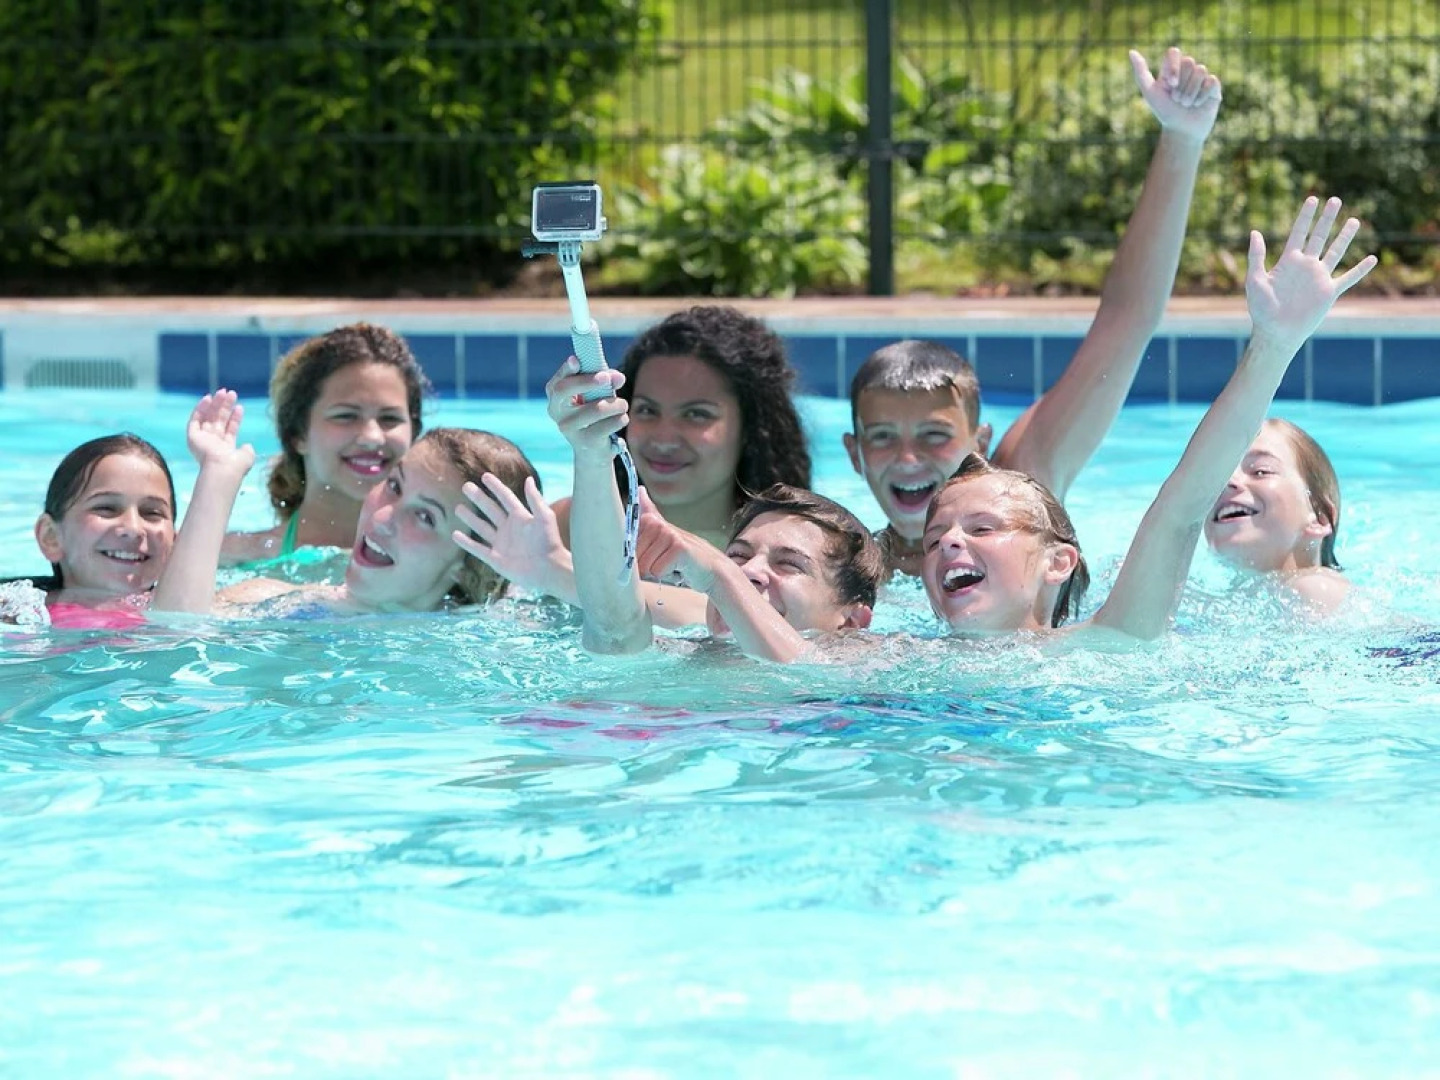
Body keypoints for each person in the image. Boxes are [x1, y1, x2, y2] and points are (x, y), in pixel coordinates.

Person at [920, 196, 1376, 642]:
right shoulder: (897, 657)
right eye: (933, 541)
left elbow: (1181, 510)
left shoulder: (1107, 641)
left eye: (982, 528)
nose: (950, 545)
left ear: (1059, 562)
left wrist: (1273, 346)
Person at [846, 46, 1224, 576]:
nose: (909, 460)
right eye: (883, 438)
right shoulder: (845, 570)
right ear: (853, 454)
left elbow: (1127, 318)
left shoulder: (1023, 482)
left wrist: (1182, 141)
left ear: (980, 443)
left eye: (934, 436)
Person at [530, 356, 881, 662]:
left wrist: (719, 573)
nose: (750, 571)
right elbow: (612, 627)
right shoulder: (679, 661)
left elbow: (806, 675)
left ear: (850, 621)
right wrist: (590, 452)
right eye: (738, 557)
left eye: (789, 564)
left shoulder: (874, 671)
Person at [194, 429, 539, 617]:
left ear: (468, 566)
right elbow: (177, 628)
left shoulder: (507, 634)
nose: (383, 517)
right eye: (394, 485)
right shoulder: (280, 606)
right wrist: (216, 481)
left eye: (425, 516)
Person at [551, 305, 811, 551]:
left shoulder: (784, 554)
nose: (664, 439)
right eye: (647, 410)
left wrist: (557, 571)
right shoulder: (563, 531)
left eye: (696, 414)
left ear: (750, 428)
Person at [1, 392, 255, 629]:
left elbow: (181, 628)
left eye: (152, 513)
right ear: (51, 536)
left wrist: (217, 473)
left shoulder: (222, 605)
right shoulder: (18, 612)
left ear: (175, 544)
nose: (134, 528)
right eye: (107, 508)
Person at [220, 322, 430, 565]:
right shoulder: (230, 557)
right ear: (298, 434)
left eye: (390, 418)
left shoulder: (441, 564)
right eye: (346, 416)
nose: (372, 437)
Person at [1205, 418, 1349, 613]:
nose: (1228, 482)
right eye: (1218, 474)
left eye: (1260, 471)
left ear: (1319, 517)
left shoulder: (1315, 589)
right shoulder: (1238, 601)